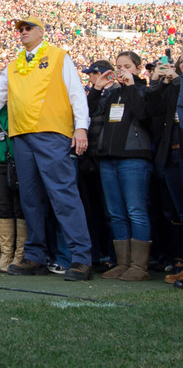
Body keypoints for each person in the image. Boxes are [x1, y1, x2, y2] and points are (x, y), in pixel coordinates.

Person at [0, 15, 93, 281]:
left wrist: (81, 127)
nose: (23, 32)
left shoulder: (60, 56)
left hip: (52, 133)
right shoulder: (13, 65)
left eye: (28, 28)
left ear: (42, 32)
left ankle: (81, 258)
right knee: (30, 199)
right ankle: (35, 256)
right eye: (20, 29)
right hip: (21, 138)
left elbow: (76, 93)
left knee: (63, 196)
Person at [88, 51, 153, 280]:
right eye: (118, 66)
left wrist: (130, 86)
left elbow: (143, 114)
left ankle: (140, 266)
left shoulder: (145, 90)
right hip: (108, 158)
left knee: (136, 211)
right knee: (116, 213)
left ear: (137, 68)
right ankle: (122, 262)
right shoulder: (110, 94)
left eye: (127, 66)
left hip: (134, 157)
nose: (122, 70)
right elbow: (89, 112)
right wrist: (97, 88)